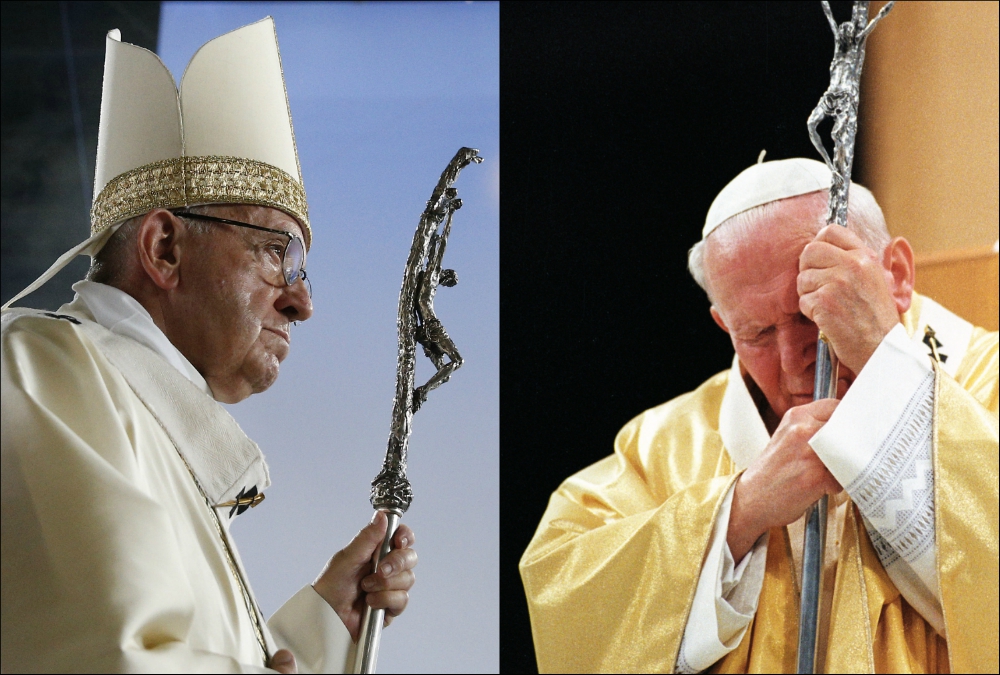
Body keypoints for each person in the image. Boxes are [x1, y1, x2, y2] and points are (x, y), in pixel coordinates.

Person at [1, 19, 416, 673]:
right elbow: (104, 658)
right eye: (278, 253)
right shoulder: (44, 372)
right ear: (165, 248)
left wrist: (329, 624)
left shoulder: (127, 405)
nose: (302, 301)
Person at [519, 157, 998, 673]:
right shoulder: (663, 445)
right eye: (756, 334)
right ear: (722, 323)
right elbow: (563, 590)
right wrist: (738, 512)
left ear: (896, 275)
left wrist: (887, 384)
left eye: (810, 312)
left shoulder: (985, 378)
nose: (794, 361)